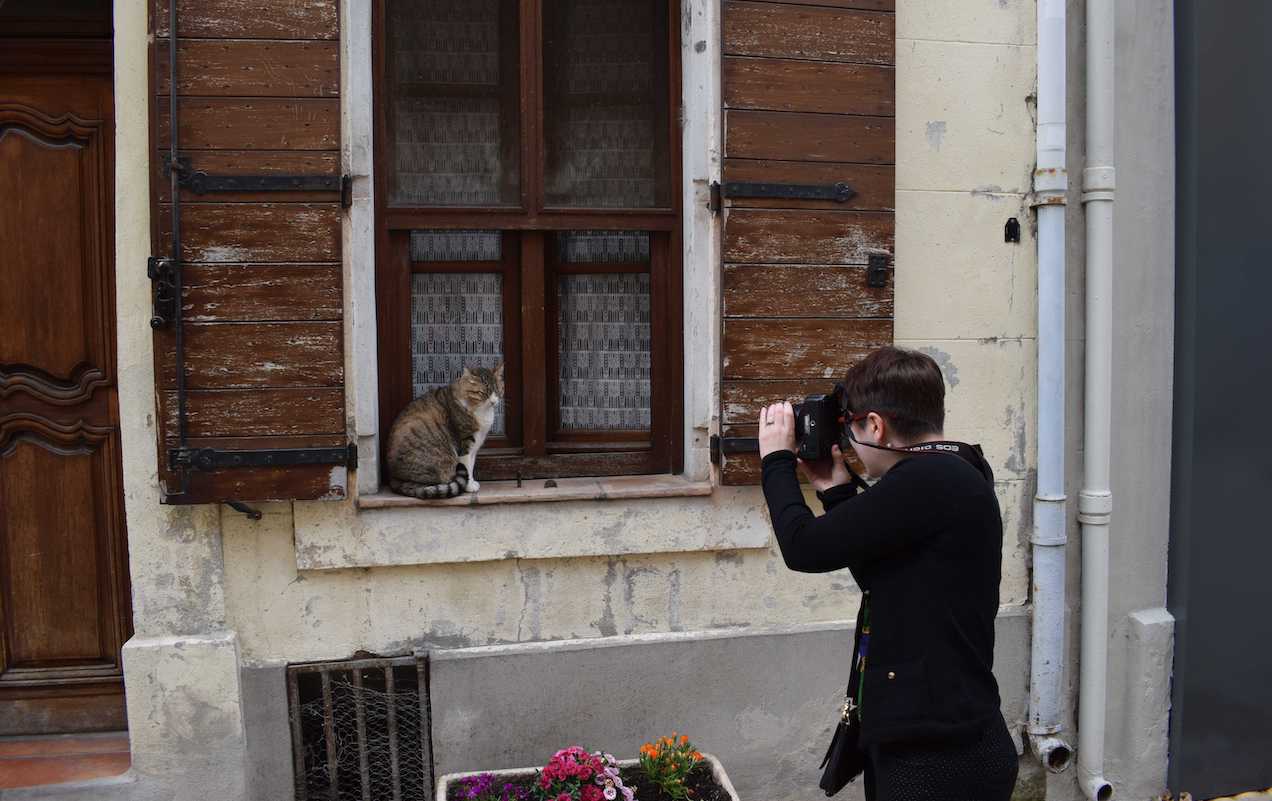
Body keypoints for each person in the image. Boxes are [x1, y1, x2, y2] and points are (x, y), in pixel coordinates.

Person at [757, 346, 1018, 801]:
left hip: (934, 760)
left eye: (852, 428)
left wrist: (776, 461)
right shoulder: (955, 470)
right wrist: (837, 494)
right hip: (951, 740)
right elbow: (887, 577)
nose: (852, 444)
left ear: (875, 425)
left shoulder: (925, 481)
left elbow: (804, 548)